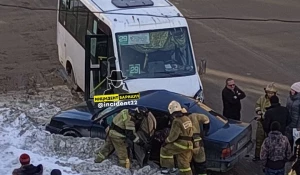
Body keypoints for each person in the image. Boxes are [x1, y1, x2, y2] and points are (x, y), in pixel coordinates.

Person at [160, 100, 193, 175]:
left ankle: (167, 168)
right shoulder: (187, 118)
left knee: (165, 149)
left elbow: (173, 136)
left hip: (181, 143)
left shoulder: (176, 121)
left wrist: (166, 141)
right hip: (189, 144)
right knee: (183, 162)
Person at [253, 82, 277, 161]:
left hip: (268, 124)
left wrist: (262, 115)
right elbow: (257, 105)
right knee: (259, 140)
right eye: (268, 92)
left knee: (268, 142)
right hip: (261, 123)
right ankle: (257, 156)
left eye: (272, 93)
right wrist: (258, 112)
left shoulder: (274, 101)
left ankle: (266, 156)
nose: (270, 94)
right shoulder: (262, 98)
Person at [286, 82, 300, 159]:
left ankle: (294, 155)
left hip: (296, 124)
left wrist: (298, 127)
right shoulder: (289, 98)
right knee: (289, 139)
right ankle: (289, 154)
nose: (291, 91)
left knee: (295, 141)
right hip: (289, 123)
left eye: (293, 90)